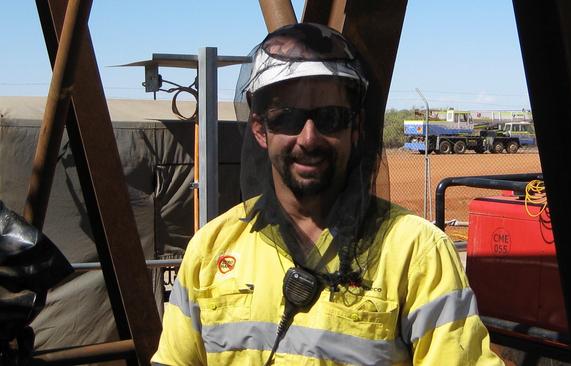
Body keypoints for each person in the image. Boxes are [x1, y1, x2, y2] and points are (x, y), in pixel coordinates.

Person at [152, 23, 503, 365]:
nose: (309, 138)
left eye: (331, 117)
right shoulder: (211, 249)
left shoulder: (416, 252)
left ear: (356, 128)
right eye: (287, 118)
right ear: (260, 128)